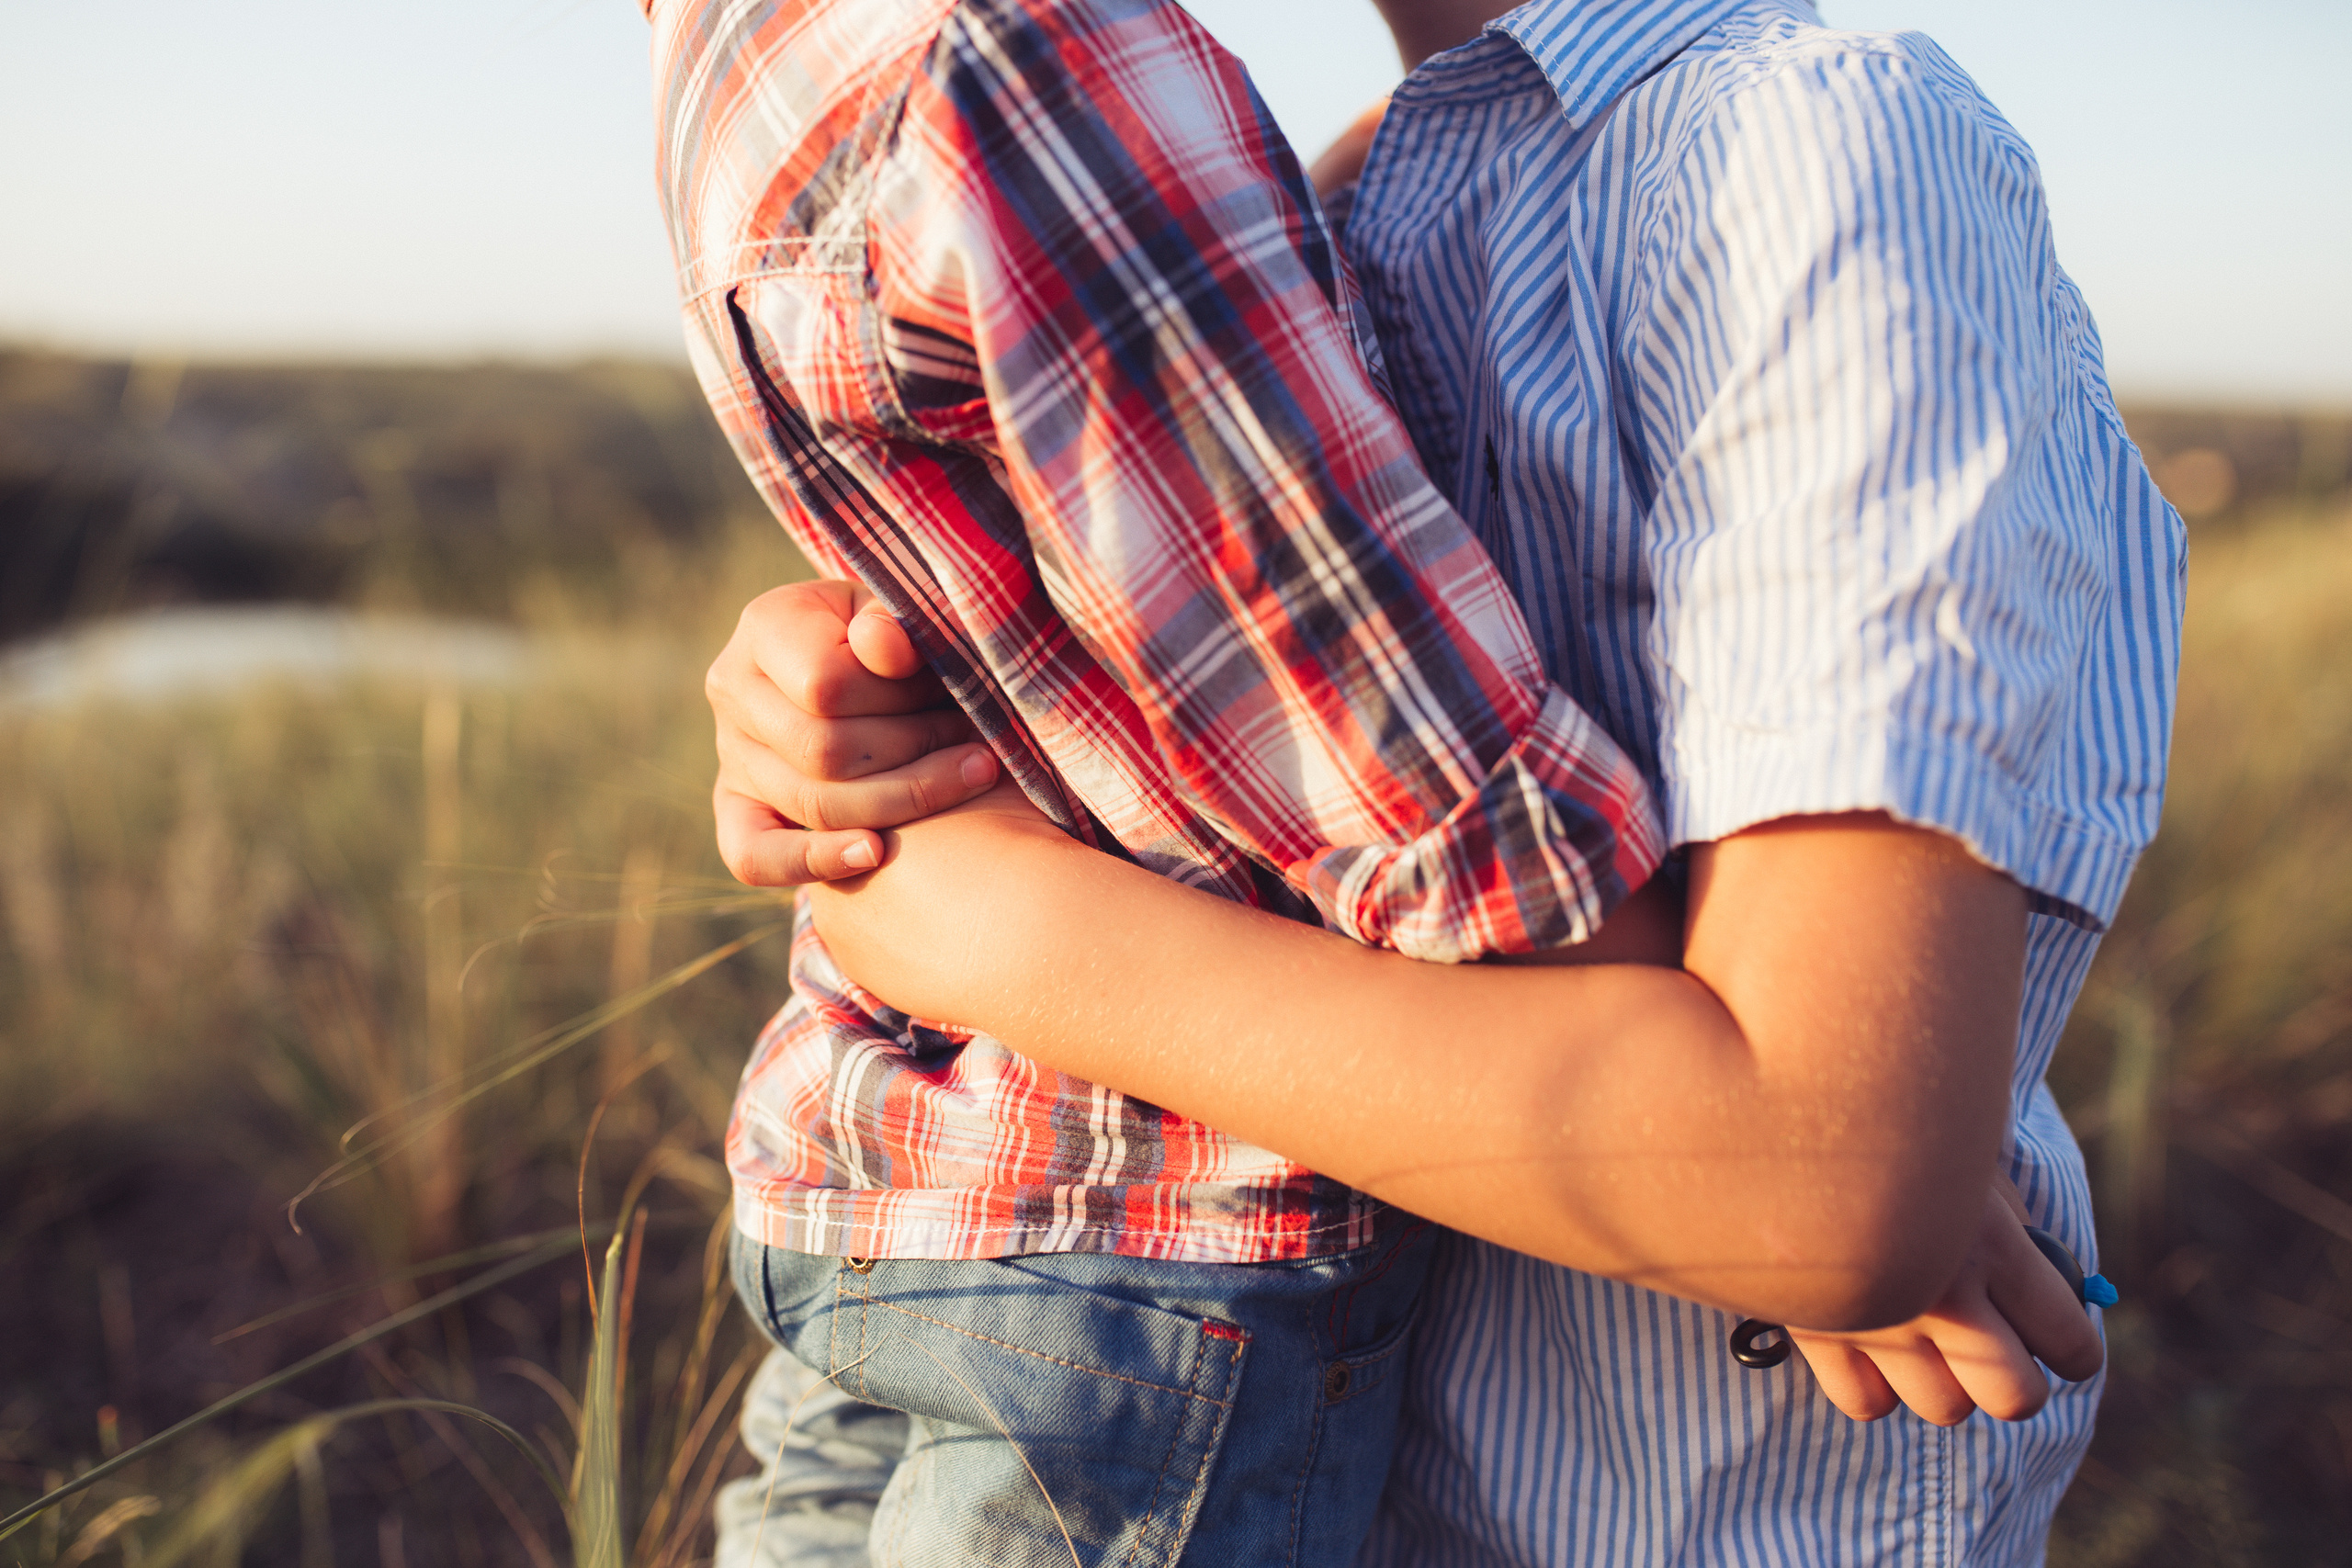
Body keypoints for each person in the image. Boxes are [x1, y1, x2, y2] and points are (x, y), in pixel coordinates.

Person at [659, 1, 2176, 1565]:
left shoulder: (1809, 146)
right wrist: (866, 666)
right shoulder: (1338, 187)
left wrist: (978, 920)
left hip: (1687, 1512)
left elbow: (1826, 1178)